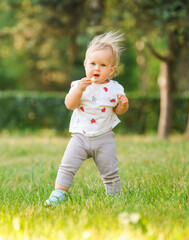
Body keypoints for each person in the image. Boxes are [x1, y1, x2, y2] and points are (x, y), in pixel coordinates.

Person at [45, 31, 129, 206]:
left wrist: (123, 104)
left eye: (103, 65)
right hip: (80, 137)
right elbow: (70, 104)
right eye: (93, 63)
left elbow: (119, 111)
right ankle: (58, 193)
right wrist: (78, 91)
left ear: (111, 70)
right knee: (67, 165)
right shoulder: (78, 85)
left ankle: (114, 197)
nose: (96, 68)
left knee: (110, 170)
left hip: (104, 138)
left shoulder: (115, 88)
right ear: (85, 64)